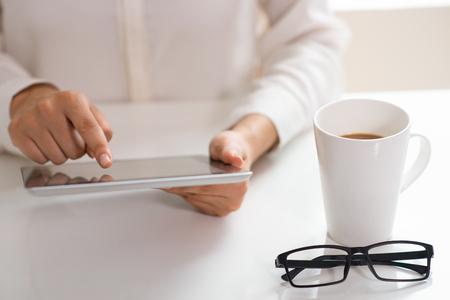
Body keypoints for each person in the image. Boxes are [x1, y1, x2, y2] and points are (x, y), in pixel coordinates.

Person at [0, 0, 350, 216]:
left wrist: (251, 134)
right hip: (31, 199)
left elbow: (312, 41)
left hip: (238, 199)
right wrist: (20, 96)